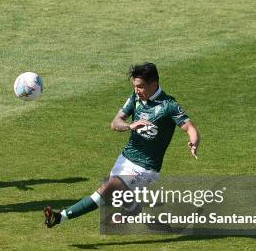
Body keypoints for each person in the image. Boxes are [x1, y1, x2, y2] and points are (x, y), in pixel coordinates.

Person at [44, 62, 200, 227]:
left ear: (154, 84)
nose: (136, 90)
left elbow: (190, 128)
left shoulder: (169, 105)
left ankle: (59, 217)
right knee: (114, 194)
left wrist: (194, 142)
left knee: (107, 188)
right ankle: (133, 210)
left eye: (140, 86)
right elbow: (115, 122)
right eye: (134, 86)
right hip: (125, 158)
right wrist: (129, 125)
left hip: (146, 167)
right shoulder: (135, 99)